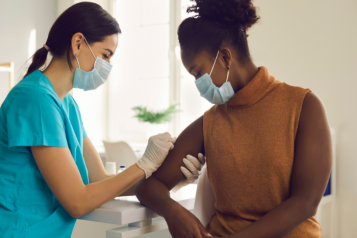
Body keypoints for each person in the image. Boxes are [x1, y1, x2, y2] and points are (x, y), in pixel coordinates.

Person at [0, 2, 205, 238]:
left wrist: (172, 178)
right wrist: (143, 165)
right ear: (78, 43)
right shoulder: (35, 98)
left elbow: (100, 179)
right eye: (105, 55)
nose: (107, 66)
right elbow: (77, 200)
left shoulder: (67, 104)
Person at [135, 0, 332, 238]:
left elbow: (306, 202)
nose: (198, 84)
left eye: (198, 73)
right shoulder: (210, 123)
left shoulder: (304, 107)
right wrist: (173, 211)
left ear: (225, 57)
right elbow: (149, 187)